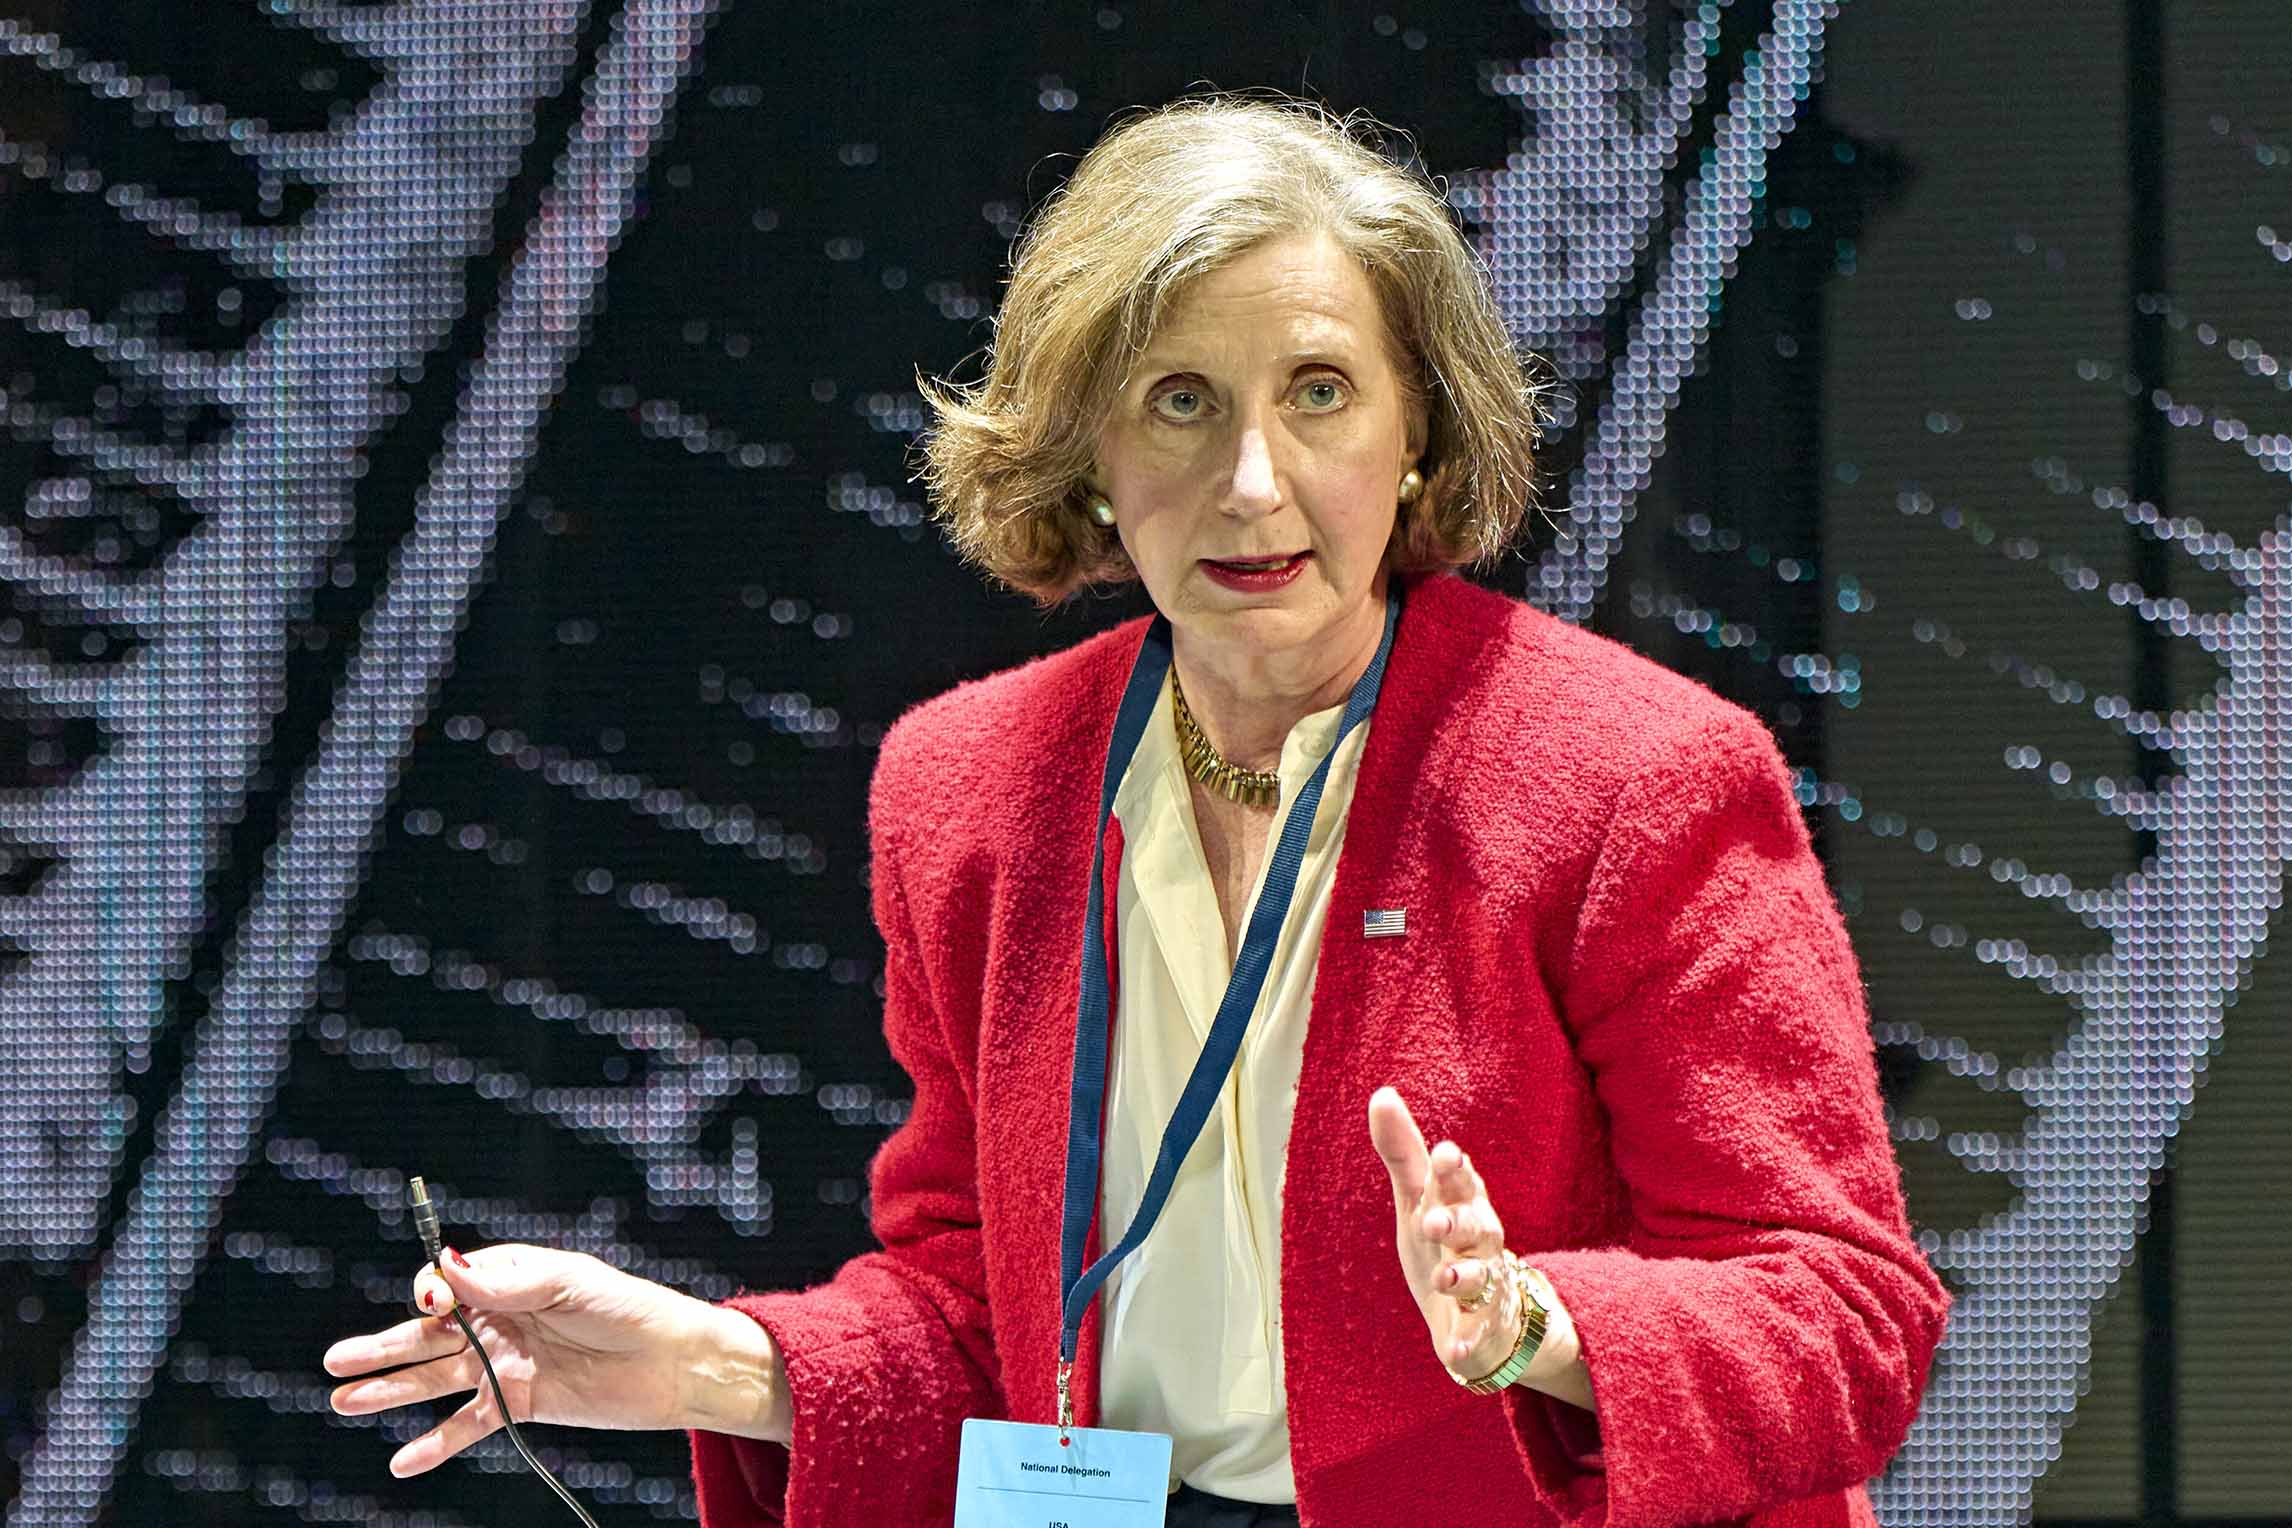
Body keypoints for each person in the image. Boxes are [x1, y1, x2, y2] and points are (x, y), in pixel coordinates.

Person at [323, 93, 1951, 1527]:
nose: (1251, 481)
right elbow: (981, 1320)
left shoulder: (1633, 781)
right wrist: (713, 1362)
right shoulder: (968, 792)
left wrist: (1539, 1330)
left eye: (1319, 392)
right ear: (1086, 447)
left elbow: (1846, 1311)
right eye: (1179, 398)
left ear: (1418, 435)